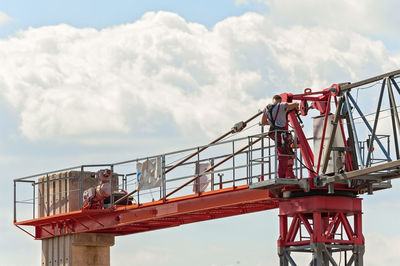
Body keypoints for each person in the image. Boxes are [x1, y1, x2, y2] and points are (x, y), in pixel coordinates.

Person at [261, 95, 299, 178]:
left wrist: (272, 123)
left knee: (282, 151)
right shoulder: (281, 105)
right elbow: (295, 104)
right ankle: (282, 175)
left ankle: (284, 174)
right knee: (284, 154)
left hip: (273, 132)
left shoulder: (266, 108)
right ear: (280, 100)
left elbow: (263, 122)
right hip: (281, 132)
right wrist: (297, 105)